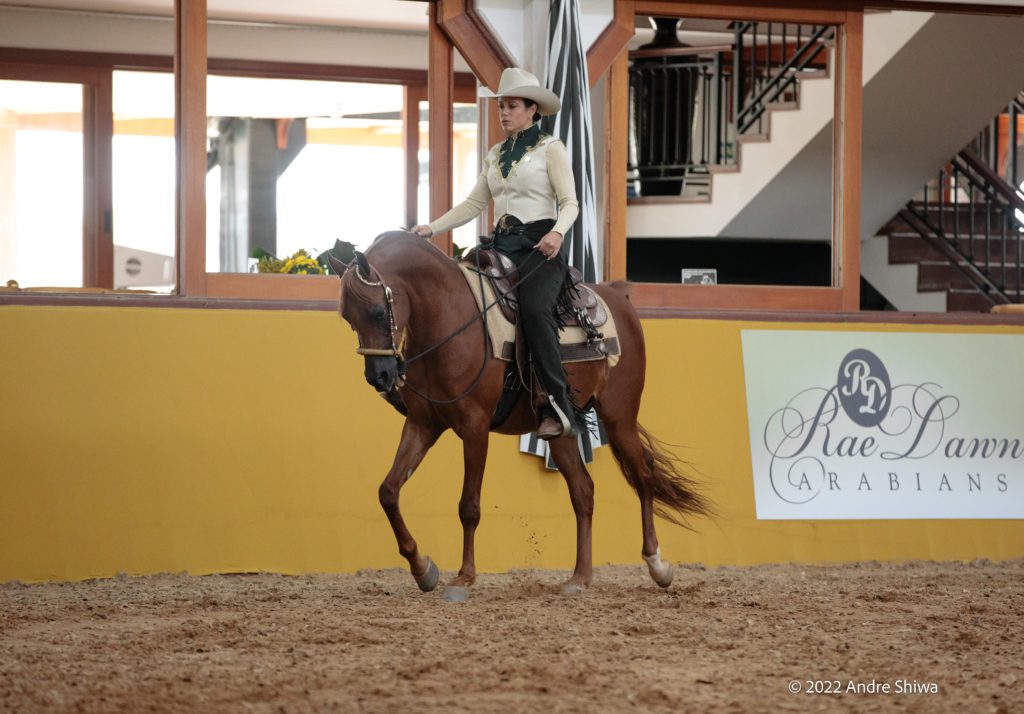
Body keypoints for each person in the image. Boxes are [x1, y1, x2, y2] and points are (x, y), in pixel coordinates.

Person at [411, 67, 581, 440]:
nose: (503, 112)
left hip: (541, 247)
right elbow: (474, 204)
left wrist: (556, 232)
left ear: (532, 109)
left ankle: (556, 403)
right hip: (500, 247)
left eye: (511, 105)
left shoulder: (551, 149)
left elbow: (570, 203)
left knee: (535, 311)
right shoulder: (496, 153)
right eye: (501, 105)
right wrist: (432, 228)